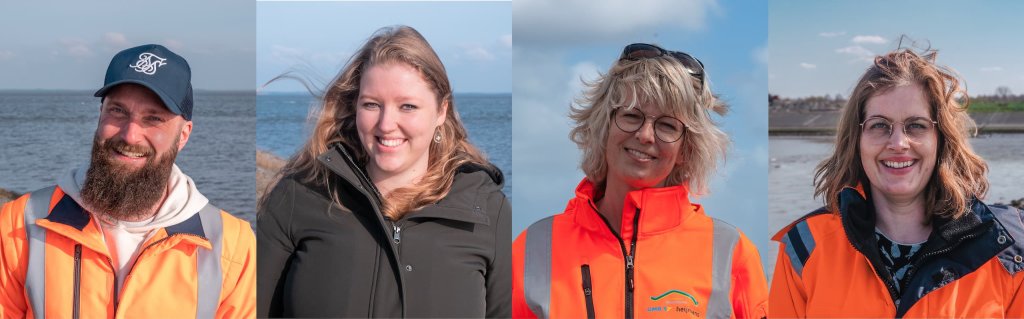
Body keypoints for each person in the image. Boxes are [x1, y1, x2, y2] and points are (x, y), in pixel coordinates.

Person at [257, 25, 511, 318]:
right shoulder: (298, 196)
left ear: (441, 111)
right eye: (372, 104)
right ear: (355, 107)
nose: (386, 124)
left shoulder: (488, 211)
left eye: (407, 106)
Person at [512, 43, 769, 319]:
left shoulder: (730, 253)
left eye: (667, 125)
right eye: (631, 116)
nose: (646, 135)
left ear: (686, 148)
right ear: (603, 126)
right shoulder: (534, 248)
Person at [0, 44, 255, 317]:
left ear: (183, 135)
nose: (130, 135)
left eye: (153, 118)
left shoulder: (231, 245)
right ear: (100, 115)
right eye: (118, 111)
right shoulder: (20, 224)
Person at [769, 48, 1024, 317]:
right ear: (856, 140)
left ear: (941, 139)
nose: (898, 143)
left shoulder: (1010, 249)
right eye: (879, 125)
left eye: (916, 125)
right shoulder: (804, 247)